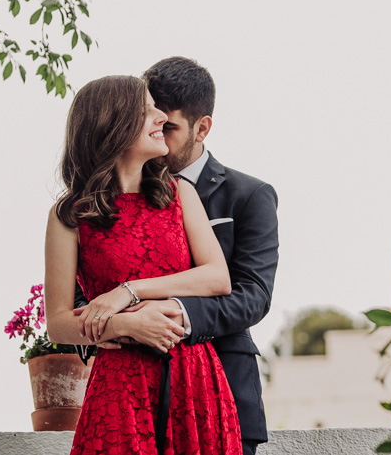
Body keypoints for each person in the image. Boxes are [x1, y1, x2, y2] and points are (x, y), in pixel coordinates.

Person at [45, 75, 243, 455]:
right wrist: (125, 324)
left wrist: (128, 292)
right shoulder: (69, 215)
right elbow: (58, 322)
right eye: (146, 110)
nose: (160, 116)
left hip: (193, 378)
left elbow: (218, 278)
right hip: (118, 388)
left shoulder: (180, 193)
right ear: (112, 124)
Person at [111, 57, 279, 455]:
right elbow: (89, 296)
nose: (157, 133)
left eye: (169, 126)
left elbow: (253, 295)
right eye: (150, 121)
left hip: (227, 389)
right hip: (132, 400)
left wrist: (174, 315)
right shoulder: (111, 201)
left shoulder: (249, 195)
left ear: (202, 127)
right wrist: (124, 323)